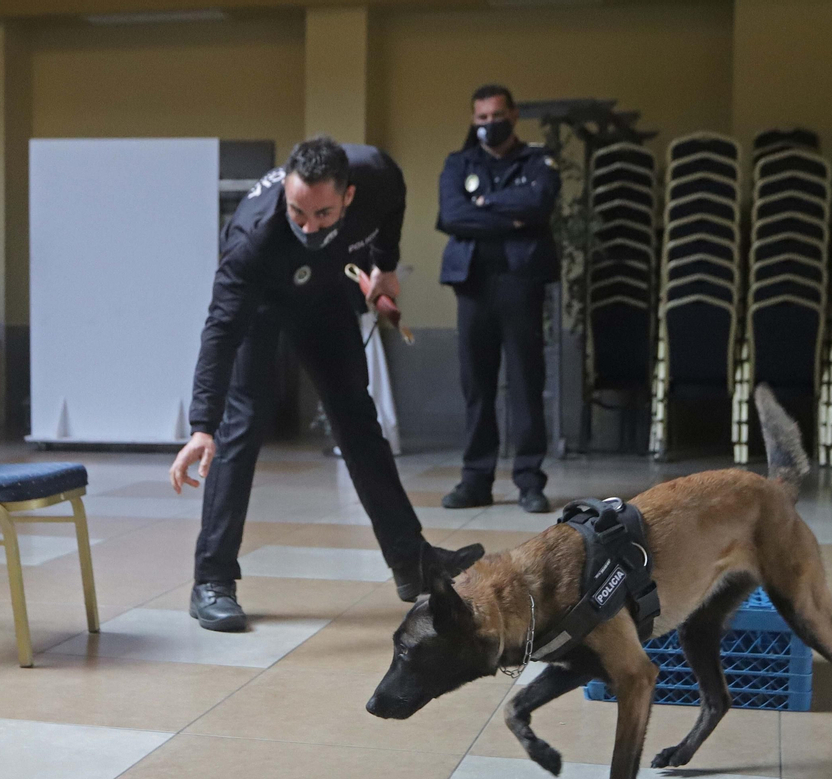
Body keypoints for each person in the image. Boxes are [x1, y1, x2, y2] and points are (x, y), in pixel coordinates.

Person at [169, 136, 483, 632]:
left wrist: (385, 264)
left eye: (322, 215)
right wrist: (201, 425)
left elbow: (395, 199)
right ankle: (211, 580)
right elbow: (220, 331)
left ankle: (411, 562)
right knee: (241, 425)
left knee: (357, 419)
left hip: (324, 295)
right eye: (297, 213)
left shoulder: (376, 174)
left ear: (349, 196)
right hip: (263, 302)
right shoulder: (252, 238)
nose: (308, 226)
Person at [436, 84, 560, 514]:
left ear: (514, 114)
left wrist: (483, 207)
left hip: (520, 283)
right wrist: (511, 217)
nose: (490, 124)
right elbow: (451, 215)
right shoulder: (459, 163)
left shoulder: (538, 161)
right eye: (482, 118)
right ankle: (475, 481)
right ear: (474, 120)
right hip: (472, 285)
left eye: (497, 115)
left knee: (526, 383)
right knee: (477, 386)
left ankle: (529, 481)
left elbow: (540, 202)